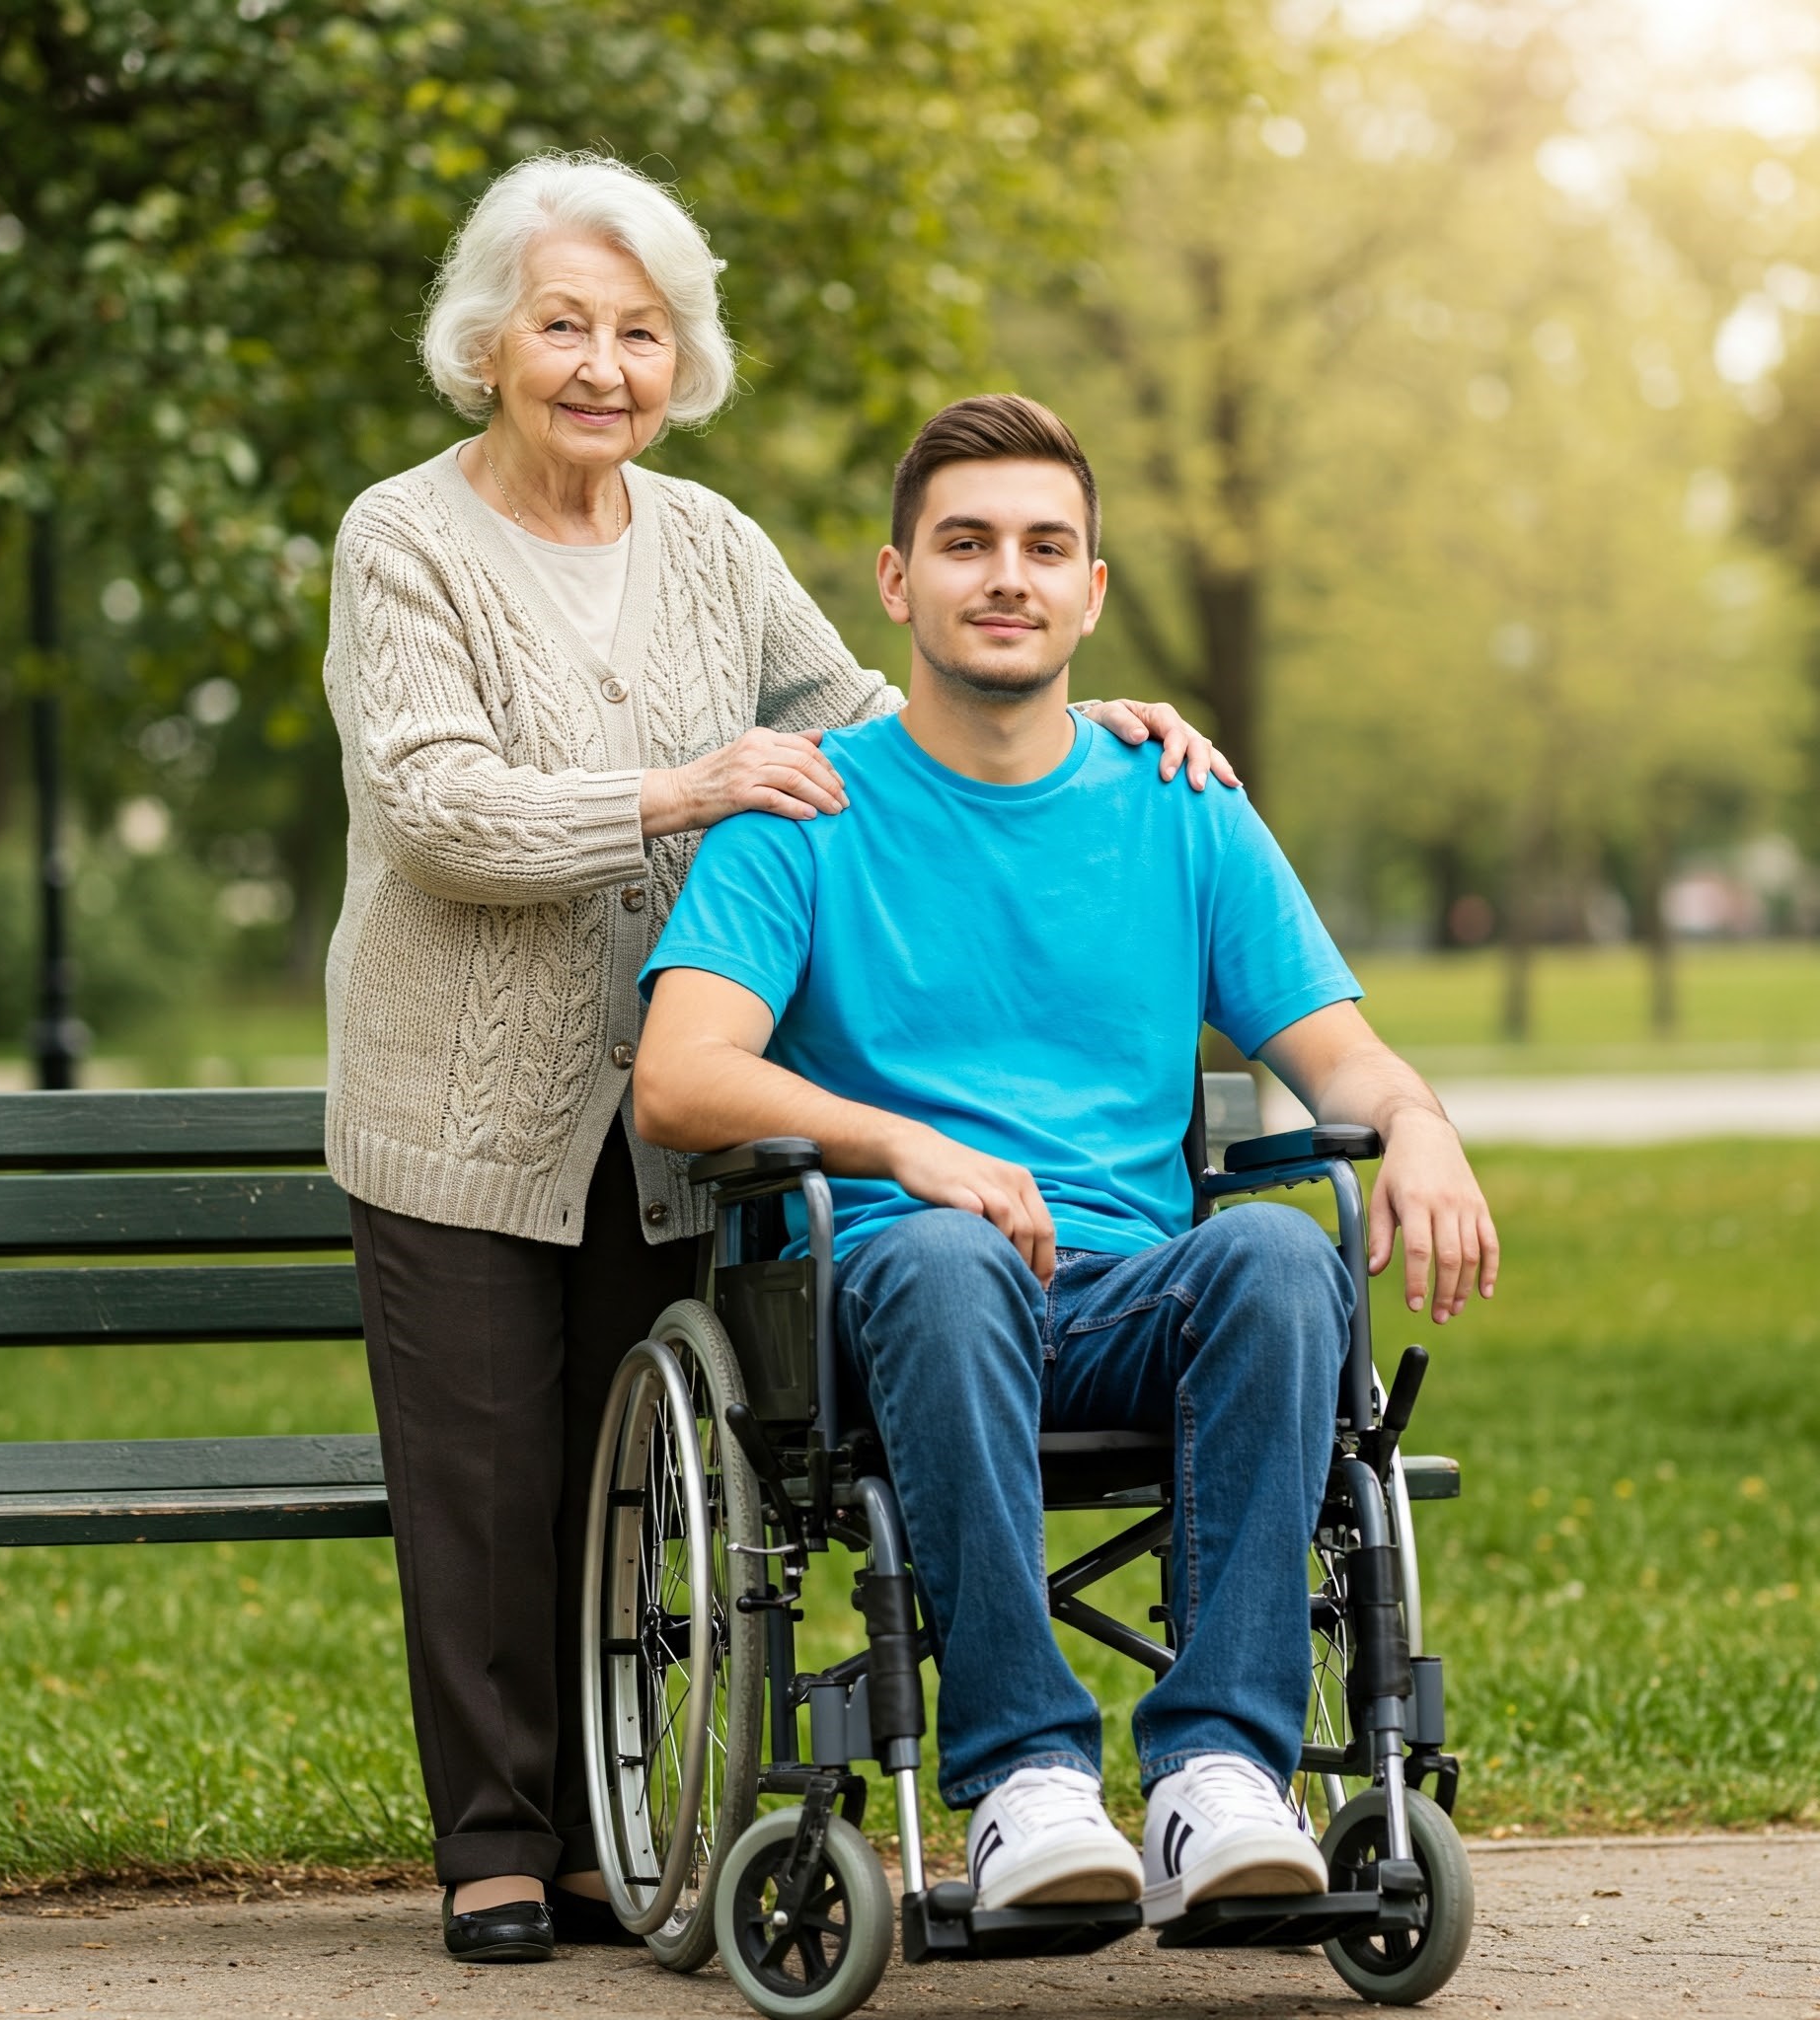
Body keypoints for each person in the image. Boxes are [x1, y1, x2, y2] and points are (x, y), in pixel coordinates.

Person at [321, 158, 1233, 1965]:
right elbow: (438, 817)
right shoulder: (401, 536)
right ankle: (498, 1846)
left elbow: (870, 721)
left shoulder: (714, 546)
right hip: (461, 1097)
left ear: (680, 361)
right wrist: (681, 790)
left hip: (676, 1102)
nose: (603, 365)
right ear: (489, 339)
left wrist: (1076, 714)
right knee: (487, 1474)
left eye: (641, 333)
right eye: (568, 325)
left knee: (625, 1484)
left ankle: (612, 1837)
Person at [634, 394, 1499, 1922]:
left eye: (1046, 547)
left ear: (1092, 590)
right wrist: (915, 1148)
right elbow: (680, 1077)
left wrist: (1419, 1125)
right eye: (966, 544)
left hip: (1119, 1300)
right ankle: (1027, 1779)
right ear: (897, 583)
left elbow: (1341, 1055)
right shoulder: (802, 811)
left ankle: (1215, 1776)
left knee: (1282, 1251)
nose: (1007, 577)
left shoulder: (1182, 808)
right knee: (948, 1253)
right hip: (887, 1295)